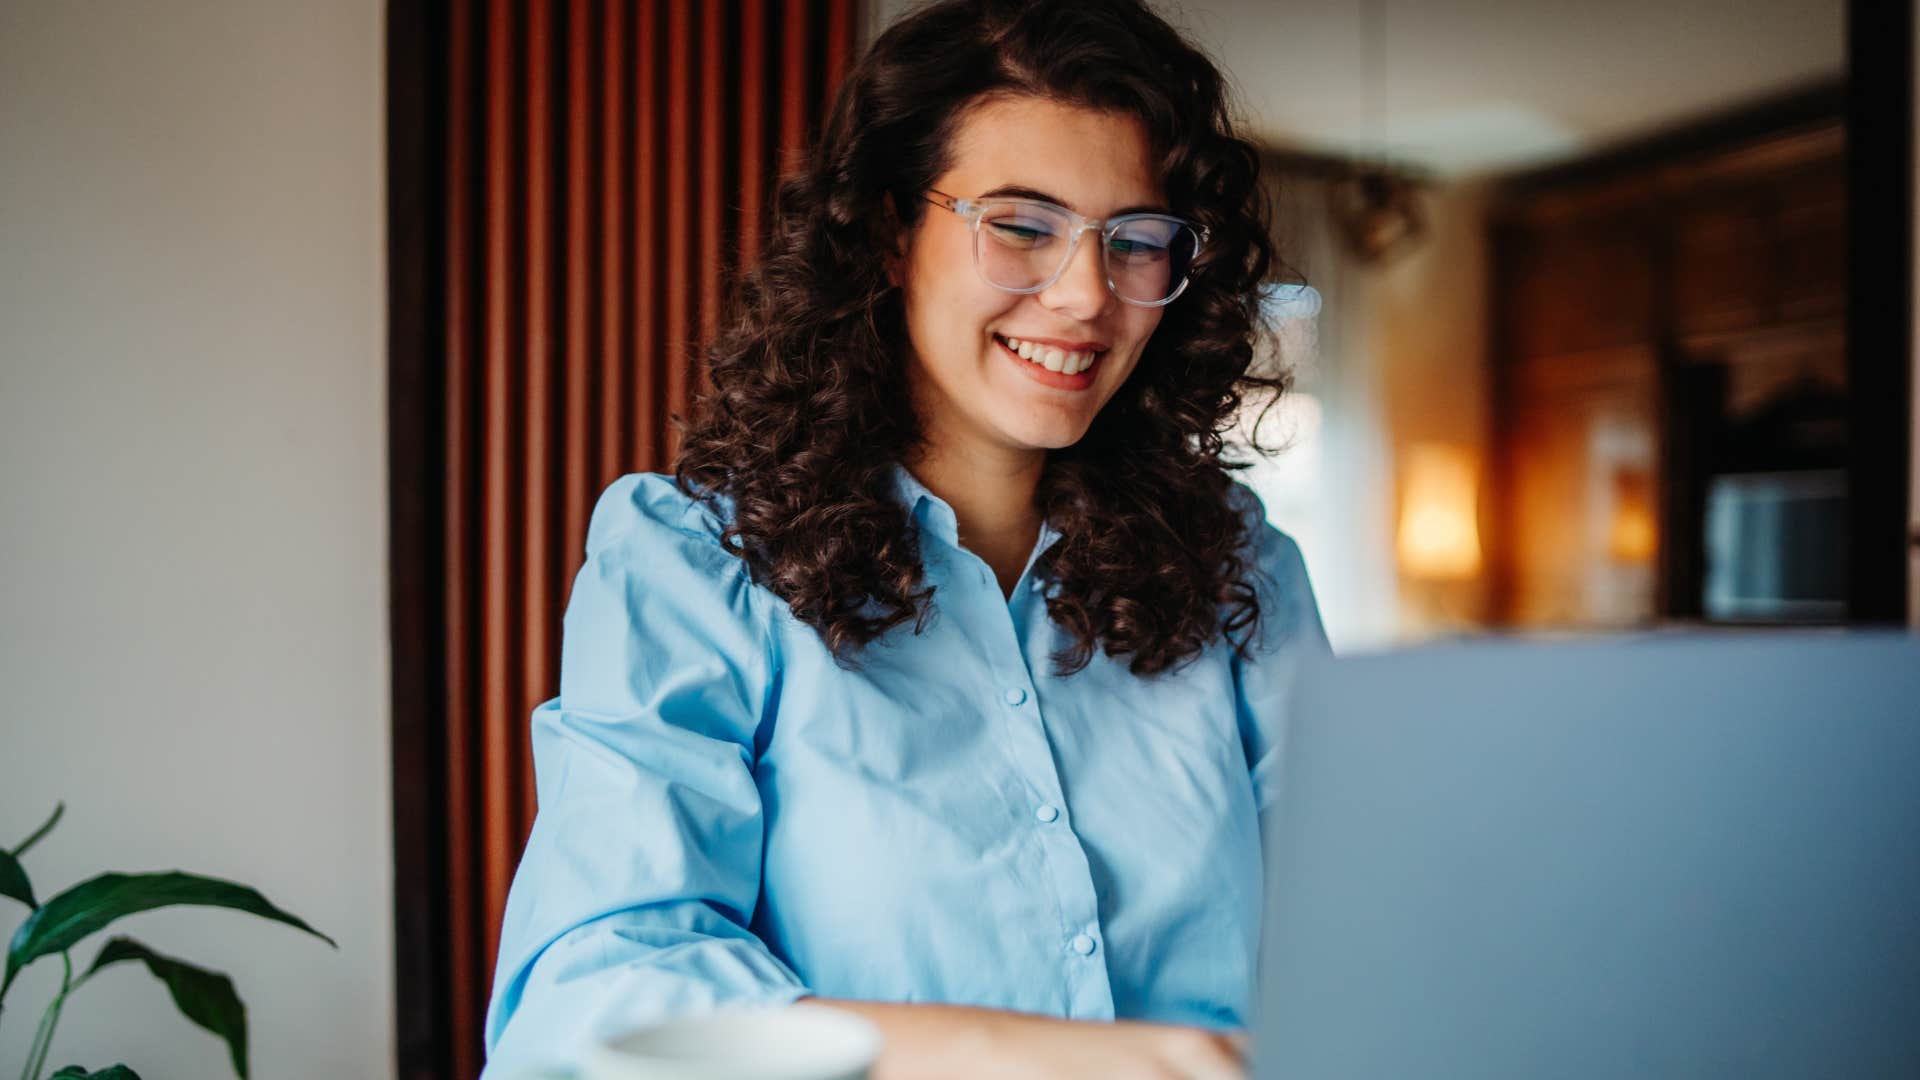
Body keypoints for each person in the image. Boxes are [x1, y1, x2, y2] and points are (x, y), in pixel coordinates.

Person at [481, 1, 1329, 1076]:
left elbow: (1358, 941)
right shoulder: (695, 563)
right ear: (889, 232)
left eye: (1135, 241)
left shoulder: (1240, 567)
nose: (1083, 297)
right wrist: (1033, 1057)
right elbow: (591, 992)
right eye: (1021, 225)